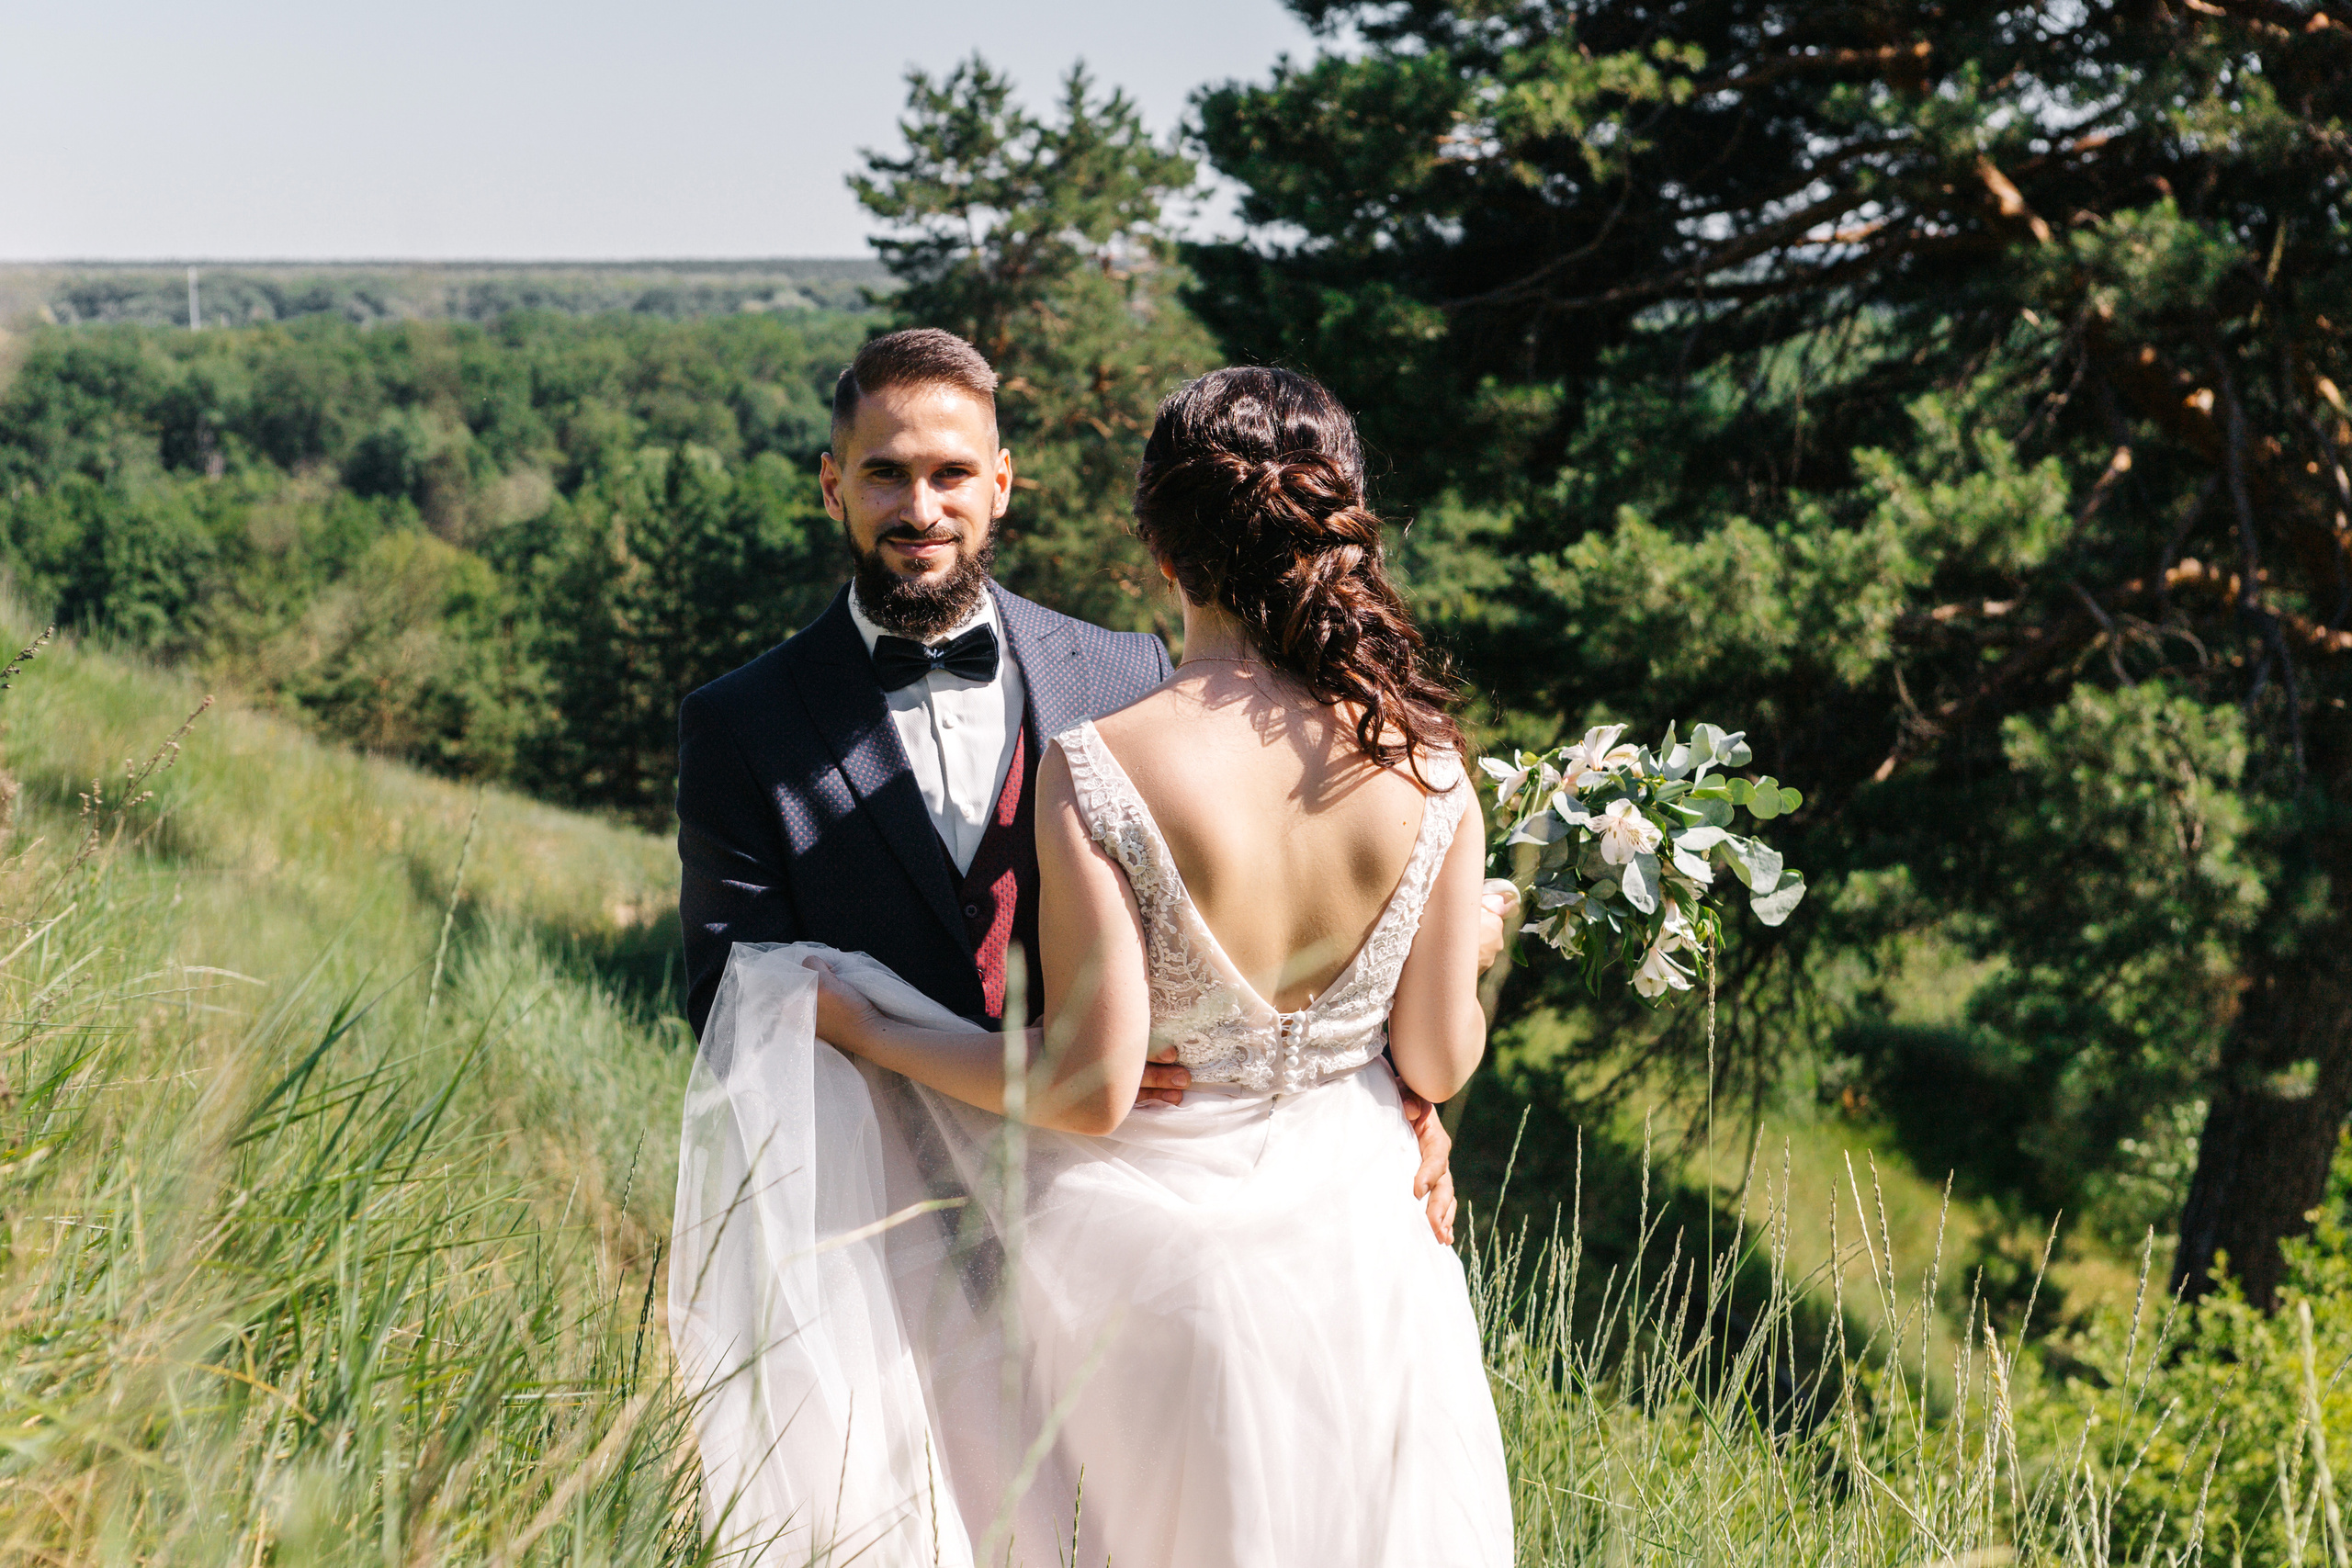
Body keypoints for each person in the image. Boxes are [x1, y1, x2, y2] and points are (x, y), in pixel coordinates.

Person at [670, 364, 1514, 1568]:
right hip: (1378, 1265)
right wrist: (1446, 999)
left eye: (952, 471)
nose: (922, 502)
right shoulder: (1431, 762)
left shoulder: (1106, 752)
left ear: (1160, 548)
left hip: (1150, 1263)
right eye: (888, 472)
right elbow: (1433, 1053)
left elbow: (1091, 1089)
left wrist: (863, 1026)